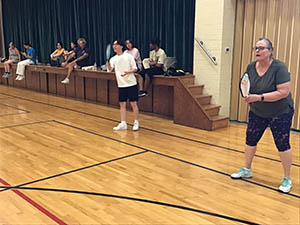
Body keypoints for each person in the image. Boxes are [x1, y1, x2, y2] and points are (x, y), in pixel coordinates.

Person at [231, 38, 294, 193]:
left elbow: (283, 92)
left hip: (280, 112)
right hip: (258, 111)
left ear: (270, 51)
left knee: (282, 144)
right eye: (256, 48)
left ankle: (287, 178)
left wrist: (258, 97)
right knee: (250, 140)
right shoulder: (251, 67)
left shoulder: (279, 68)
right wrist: (245, 94)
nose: (257, 51)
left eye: (261, 48)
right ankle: (247, 169)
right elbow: (245, 83)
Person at [106, 39, 139, 131]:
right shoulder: (113, 59)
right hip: (121, 85)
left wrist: (127, 72)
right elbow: (110, 69)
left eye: (116, 45)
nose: (114, 46)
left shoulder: (128, 56)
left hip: (131, 83)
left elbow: (135, 68)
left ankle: (136, 122)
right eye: (113, 45)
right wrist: (108, 65)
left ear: (121, 46)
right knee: (122, 104)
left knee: (133, 103)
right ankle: (123, 123)